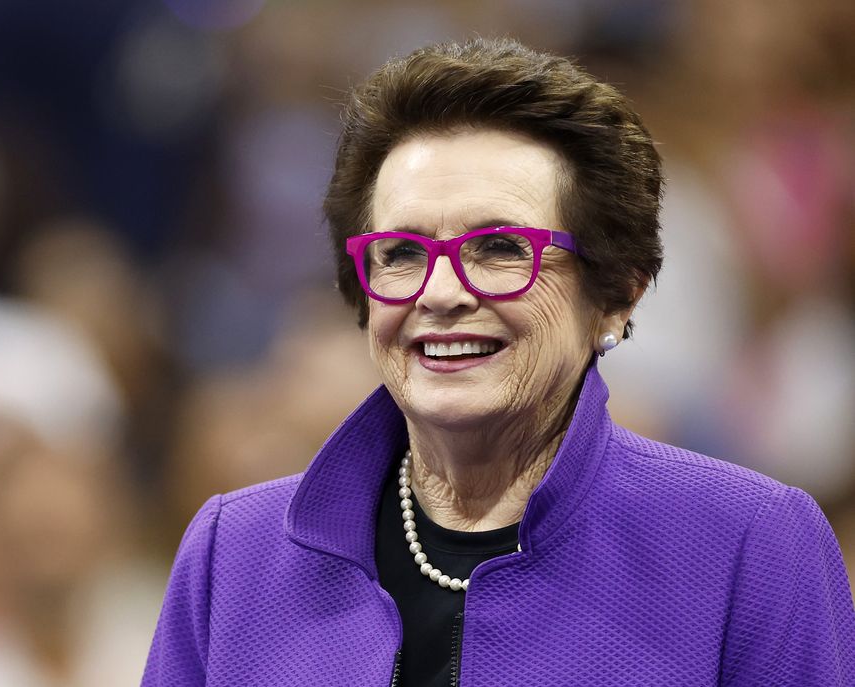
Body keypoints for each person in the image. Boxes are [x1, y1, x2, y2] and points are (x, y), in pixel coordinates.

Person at [142, 38, 855, 685]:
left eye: (501, 248)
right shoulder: (231, 557)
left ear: (615, 297)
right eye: (402, 253)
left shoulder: (748, 545)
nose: (442, 292)